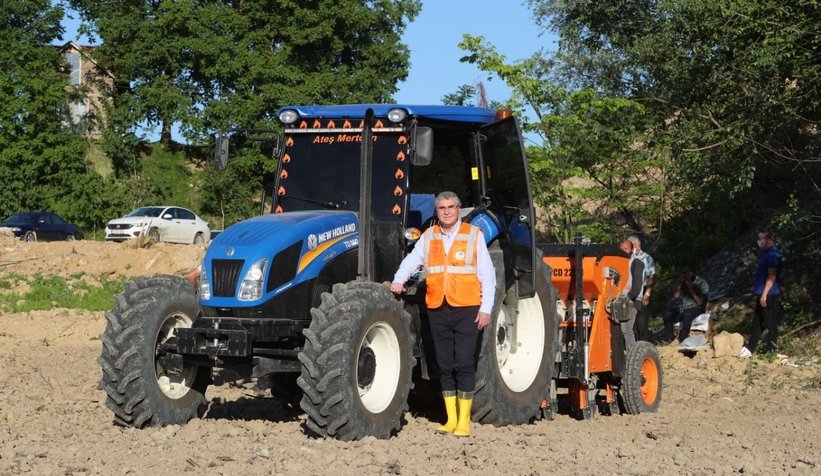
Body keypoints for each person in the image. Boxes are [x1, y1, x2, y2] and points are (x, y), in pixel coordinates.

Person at [390, 191, 495, 437]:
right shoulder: (429, 236)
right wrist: (398, 280)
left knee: (464, 363)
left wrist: (486, 308)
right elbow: (412, 260)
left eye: (451, 207)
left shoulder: (473, 235)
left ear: (459, 209)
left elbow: (487, 275)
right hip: (438, 307)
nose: (446, 211)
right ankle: (451, 419)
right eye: (441, 208)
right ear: (436, 212)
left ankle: (464, 421)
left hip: (467, 308)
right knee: (445, 365)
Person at [748, 230, 783, 353]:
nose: (759, 241)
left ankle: (772, 350)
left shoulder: (773, 255)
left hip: (768, 294)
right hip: (761, 293)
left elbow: (772, 276)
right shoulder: (765, 253)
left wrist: (764, 294)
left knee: (770, 323)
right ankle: (750, 348)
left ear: (768, 239)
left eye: (760, 238)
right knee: (757, 322)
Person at [661, 267, 709, 342]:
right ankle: (669, 338)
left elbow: (700, 302)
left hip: (696, 308)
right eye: (682, 273)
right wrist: (679, 284)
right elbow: (676, 296)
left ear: (690, 272)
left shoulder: (701, 283)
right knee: (666, 313)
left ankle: (683, 338)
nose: (684, 275)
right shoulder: (683, 283)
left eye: (686, 273)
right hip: (682, 308)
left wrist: (691, 289)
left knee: (687, 314)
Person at [628, 235, 656, 341]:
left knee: (641, 322)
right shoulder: (629, 257)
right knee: (631, 322)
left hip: (643, 290)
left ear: (636, 245)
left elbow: (652, 276)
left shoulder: (646, 258)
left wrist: (647, 294)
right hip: (631, 291)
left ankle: (643, 344)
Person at [618, 240, 644, 349]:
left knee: (626, 329)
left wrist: (630, 297)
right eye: (621, 249)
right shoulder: (618, 262)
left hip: (631, 301)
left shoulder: (637, 263)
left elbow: (638, 283)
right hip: (620, 300)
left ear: (631, 249)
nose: (623, 251)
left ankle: (630, 354)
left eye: (626, 249)